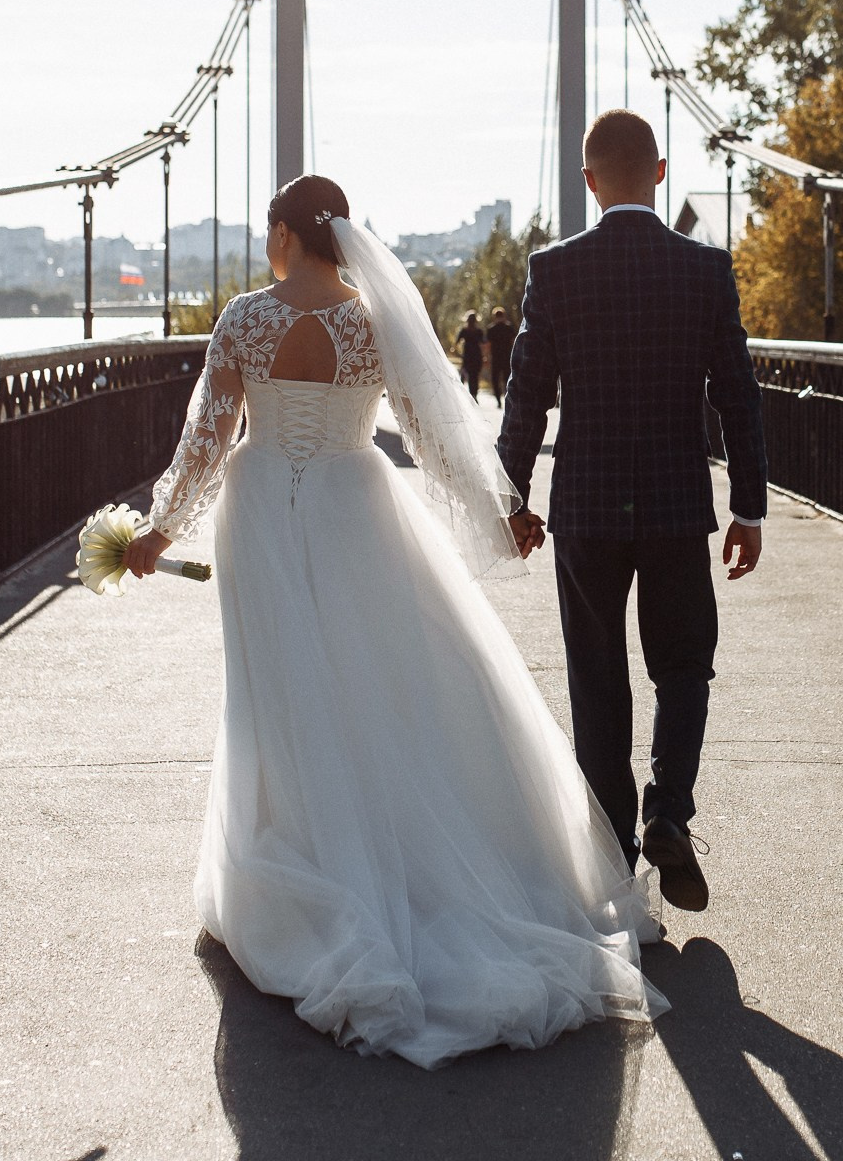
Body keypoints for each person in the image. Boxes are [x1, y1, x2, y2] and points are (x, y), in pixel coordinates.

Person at [120, 176, 661, 1069]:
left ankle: (296, 862)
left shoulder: (244, 319)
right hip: (353, 503)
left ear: (291, 233)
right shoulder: (374, 322)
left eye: (269, 230)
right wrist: (503, 511)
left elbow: (209, 438)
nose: (267, 244)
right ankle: (386, 862)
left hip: (258, 511)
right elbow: (430, 432)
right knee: (369, 684)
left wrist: (159, 528)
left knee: (273, 693)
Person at [498, 111, 768, 916]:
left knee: (596, 675)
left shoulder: (554, 271)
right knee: (684, 666)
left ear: (588, 182)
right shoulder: (704, 268)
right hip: (680, 505)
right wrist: (748, 505)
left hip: (585, 507)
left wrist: (511, 499)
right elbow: (737, 396)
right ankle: (670, 812)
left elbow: (527, 397)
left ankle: (614, 855)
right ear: (659, 172)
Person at [484, 304, 515, 403]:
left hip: (495, 357)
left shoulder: (491, 329)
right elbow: (513, 342)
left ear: (494, 317)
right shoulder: (509, 327)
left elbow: (488, 345)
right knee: (507, 378)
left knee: (495, 379)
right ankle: (507, 397)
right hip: (507, 357)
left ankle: (498, 399)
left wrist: (487, 357)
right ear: (504, 315)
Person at [455, 309, 485, 398]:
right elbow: (483, 343)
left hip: (467, 354)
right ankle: (474, 393)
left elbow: (457, 342)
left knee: (466, 373)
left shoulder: (464, 330)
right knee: (474, 375)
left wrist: (457, 352)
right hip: (476, 354)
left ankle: (465, 392)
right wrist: (485, 356)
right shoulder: (479, 331)